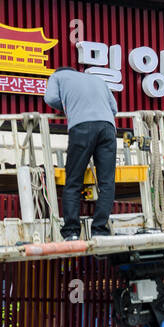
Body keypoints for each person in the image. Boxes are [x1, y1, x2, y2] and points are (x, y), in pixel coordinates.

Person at [44, 66, 119, 240]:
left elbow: (50, 98)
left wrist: (68, 106)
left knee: (73, 181)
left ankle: (71, 231)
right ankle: (100, 230)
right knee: (107, 182)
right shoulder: (97, 79)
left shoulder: (57, 77)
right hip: (107, 128)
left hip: (82, 127)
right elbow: (113, 108)